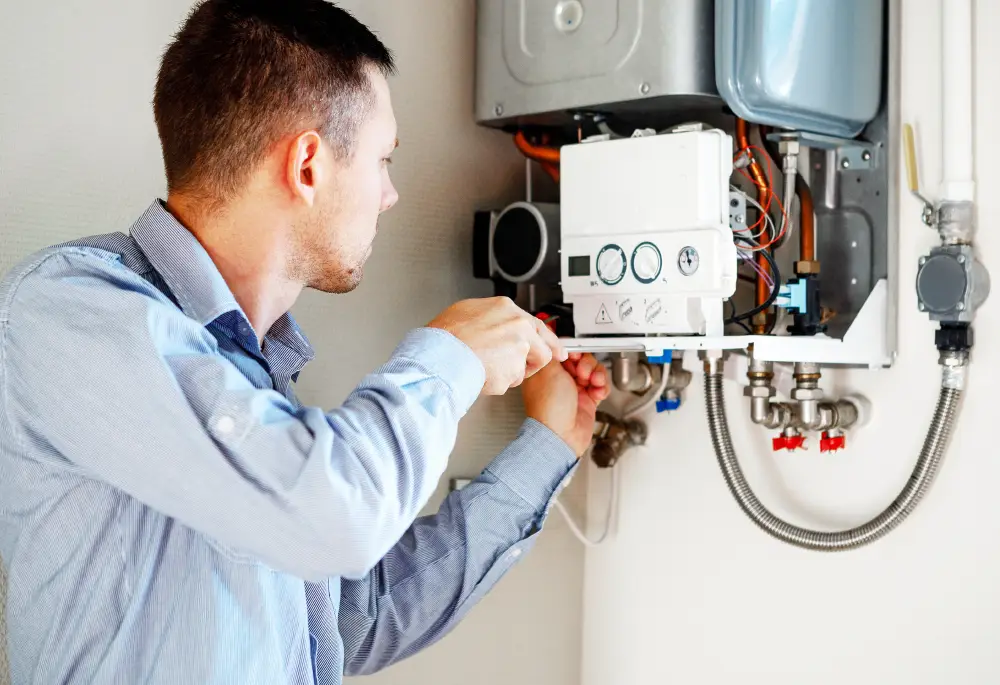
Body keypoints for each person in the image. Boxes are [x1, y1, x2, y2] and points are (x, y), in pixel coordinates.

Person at [0, 1, 610, 683]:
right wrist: (451, 357)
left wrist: (549, 445)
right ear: (308, 165)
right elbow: (335, 518)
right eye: (383, 159)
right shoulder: (70, 310)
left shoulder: (256, 381)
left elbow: (354, 619)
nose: (390, 194)